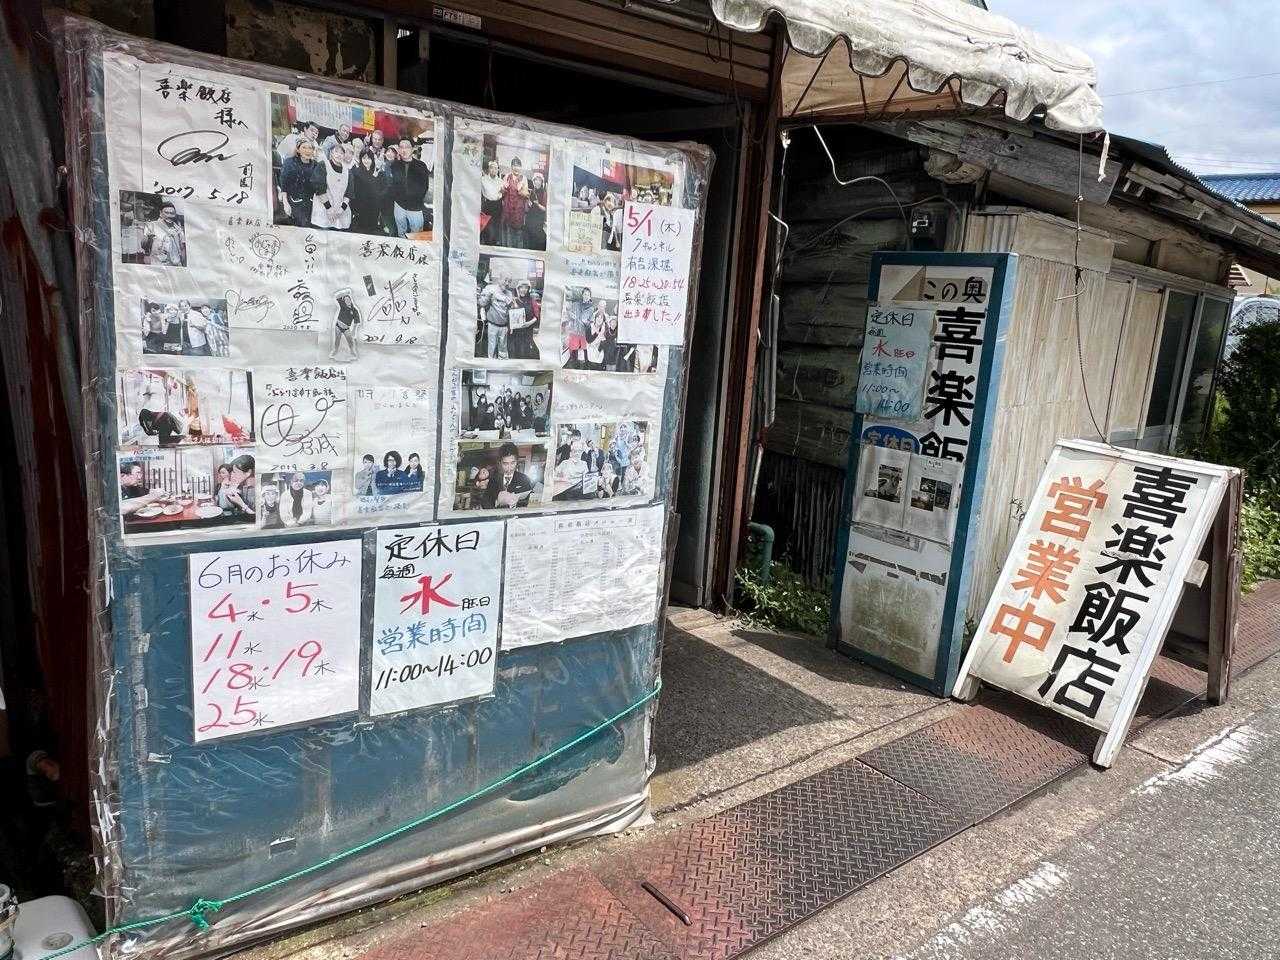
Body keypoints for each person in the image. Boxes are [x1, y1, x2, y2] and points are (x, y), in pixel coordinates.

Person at [388, 138, 431, 238]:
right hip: (399, 205)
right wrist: (396, 197)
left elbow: (424, 187)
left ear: (413, 149)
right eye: (401, 147)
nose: (404, 150)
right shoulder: (395, 165)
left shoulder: (421, 166)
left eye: (407, 147)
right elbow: (392, 184)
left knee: (416, 234)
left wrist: (415, 200)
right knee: (401, 230)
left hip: (415, 207)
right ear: (398, 149)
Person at [311, 144, 352, 231]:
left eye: (341, 153)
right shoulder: (323, 165)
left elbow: (349, 193)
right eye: (336, 152)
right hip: (324, 209)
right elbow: (319, 189)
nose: (339, 155)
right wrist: (329, 208)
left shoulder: (348, 171)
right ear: (331, 153)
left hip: (339, 212)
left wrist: (341, 210)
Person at [279, 139, 317, 227]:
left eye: (310, 148)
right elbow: (284, 184)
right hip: (294, 202)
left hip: (311, 204)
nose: (307, 151)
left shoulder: (316, 165)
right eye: (304, 147)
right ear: (298, 150)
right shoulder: (289, 162)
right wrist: (285, 203)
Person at [484, 443, 534, 509]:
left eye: (513, 463)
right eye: (505, 464)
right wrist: (497, 501)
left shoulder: (524, 479)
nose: (509, 468)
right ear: (500, 463)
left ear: (517, 461)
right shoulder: (493, 479)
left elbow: (529, 502)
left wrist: (516, 503)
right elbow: (485, 502)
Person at [347, 148, 385, 235]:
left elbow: (381, 189)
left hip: (374, 209)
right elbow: (352, 190)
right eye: (364, 158)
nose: (366, 161)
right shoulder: (355, 171)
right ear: (360, 159)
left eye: (368, 158)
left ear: (372, 159)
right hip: (359, 209)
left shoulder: (378, 172)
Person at [478, 275, 514, 360]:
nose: (507, 283)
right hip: (492, 325)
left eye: (509, 281)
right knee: (492, 349)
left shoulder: (509, 293)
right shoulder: (491, 289)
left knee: (503, 351)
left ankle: (503, 366)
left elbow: (511, 310)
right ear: (499, 280)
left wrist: (511, 326)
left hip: (504, 326)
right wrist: (488, 295)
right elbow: (481, 303)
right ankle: (491, 365)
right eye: (505, 280)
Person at [140, 200, 186, 266]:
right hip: (157, 263)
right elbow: (144, 244)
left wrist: (182, 263)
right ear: (161, 213)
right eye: (166, 213)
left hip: (175, 264)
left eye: (172, 213)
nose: (169, 216)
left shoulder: (178, 229)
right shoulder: (151, 225)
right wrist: (147, 256)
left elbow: (182, 248)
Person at [499, 157, 530, 248]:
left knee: (519, 233)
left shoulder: (523, 178)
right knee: (508, 232)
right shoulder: (507, 177)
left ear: (520, 167)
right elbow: (501, 192)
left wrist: (520, 189)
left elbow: (527, 194)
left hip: (519, 210)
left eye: (518, 166)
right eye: (514, 165)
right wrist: (503, 188)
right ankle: (508, 250)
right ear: (511, 167)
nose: (516, 168)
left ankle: (519, 251)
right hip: (508, 209)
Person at [563, 287, 599, 368]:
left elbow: (592, 322)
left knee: (584, 356)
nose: (586, 296)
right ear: (582, 295)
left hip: (584, 334)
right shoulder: (575, 304)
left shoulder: (591, 308)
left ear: (590, 297)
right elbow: (568, 314)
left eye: (588, 295)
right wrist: (571, 315)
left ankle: (583, 369)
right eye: (585, 294)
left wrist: (587, 323)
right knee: (574, 355)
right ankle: (573, 369)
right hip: (574, 332)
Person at [507, 278, 541, 360]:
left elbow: (537, 316)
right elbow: (509, 316)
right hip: (516, 333)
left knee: (526, 352)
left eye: (526, 288)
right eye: (521, 287)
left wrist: (529, 323)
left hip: (527, 332)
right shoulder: (514, 300)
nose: (523, 290)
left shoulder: (532, 301)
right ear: (518, 289)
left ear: (528, 289)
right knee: (515, 351)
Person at [553, 430, 590, 501]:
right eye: (574, 439)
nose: (576, 441)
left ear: (580, 439)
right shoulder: (567, 446)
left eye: (577, 440)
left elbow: (585, 464)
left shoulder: (582, 451)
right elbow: (556, 452)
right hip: (564, 472)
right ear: (571, 438)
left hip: (575, 483)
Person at [330, 289, 361, 361]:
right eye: (345, 300)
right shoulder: (342, 305)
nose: (347, 301)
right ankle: (335, 351)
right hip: (338, 326)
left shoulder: (355, 310)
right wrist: (345, 292)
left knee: (350, 341)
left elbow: (356, 322)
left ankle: (352, 351)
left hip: (346, 328)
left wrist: (354, 330)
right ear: (344, 301)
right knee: (337, 340)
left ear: (350, 300)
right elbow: (336, 296)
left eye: (348, 299)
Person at [480, 158, 503, 246]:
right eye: (492, 167)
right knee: (486, 227)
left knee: (496, 227)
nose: (494, 170)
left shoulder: (501, 181)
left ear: (498, 170)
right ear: (489, 169)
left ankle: (494, 244)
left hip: (497, 205)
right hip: (487, 205)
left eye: (496, 168)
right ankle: (486, 244)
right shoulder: (483, 179)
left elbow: (502, 193)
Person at [526, 171, 548, 250]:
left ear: (541, 182)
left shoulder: (544, 193)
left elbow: (545, 209)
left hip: (538, 220)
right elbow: (528, 207)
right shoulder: (531, 191)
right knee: (530, 239)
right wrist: (528, 203)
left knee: (538, 241)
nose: (537, 182)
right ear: (533, 181)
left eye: (539, 180)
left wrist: (538, 204)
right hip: (530, 219)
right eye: (536, 180)